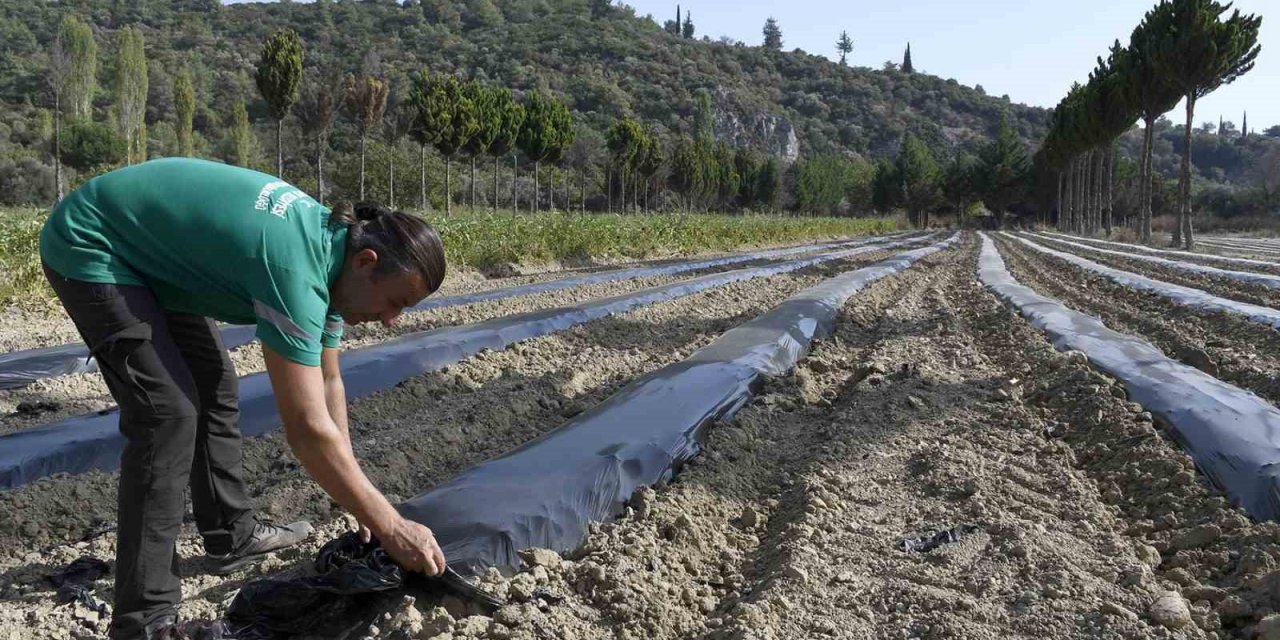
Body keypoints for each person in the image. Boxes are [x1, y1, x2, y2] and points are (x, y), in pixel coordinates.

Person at [39, 157, 449, 639]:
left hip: (155, 259)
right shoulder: (295, 272)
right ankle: (143, 621)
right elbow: (306, 429)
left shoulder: (337, 264)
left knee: (215, 387)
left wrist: (360, 503)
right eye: (396, 302)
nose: (392, 320)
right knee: (167, 416)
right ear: (367, 262)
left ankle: (229, 535)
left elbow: (329, 382)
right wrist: (390, 525)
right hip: (96, 243)